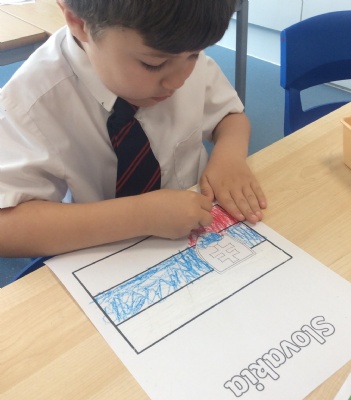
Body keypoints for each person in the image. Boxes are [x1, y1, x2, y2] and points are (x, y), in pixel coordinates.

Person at [0, 0, 266, 257]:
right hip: (102, 249)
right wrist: (140, 216)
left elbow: (230, 116)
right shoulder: (30, 101)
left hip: (196, 232)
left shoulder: (176, 48)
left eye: (194, 55)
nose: (178, 81)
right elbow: (6, 227)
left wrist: (229, 157)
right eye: (153, 64)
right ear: (79, 22)